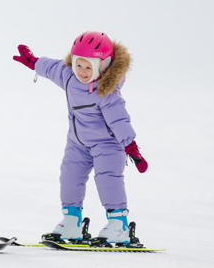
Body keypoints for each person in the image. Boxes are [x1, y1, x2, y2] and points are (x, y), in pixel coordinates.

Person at [12, 31, 148, 243]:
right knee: (69, 178)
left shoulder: (107, 92)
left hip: (108, 145)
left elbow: (119, 121)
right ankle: (72, 222)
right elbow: (51, 68)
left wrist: (132, 148)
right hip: (77, 143)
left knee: (108, 180)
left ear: (103, 65)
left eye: (89, 66)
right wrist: (32, 62)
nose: (82, 72)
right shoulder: (69, 77)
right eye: (78, 64)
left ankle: (118, 225)